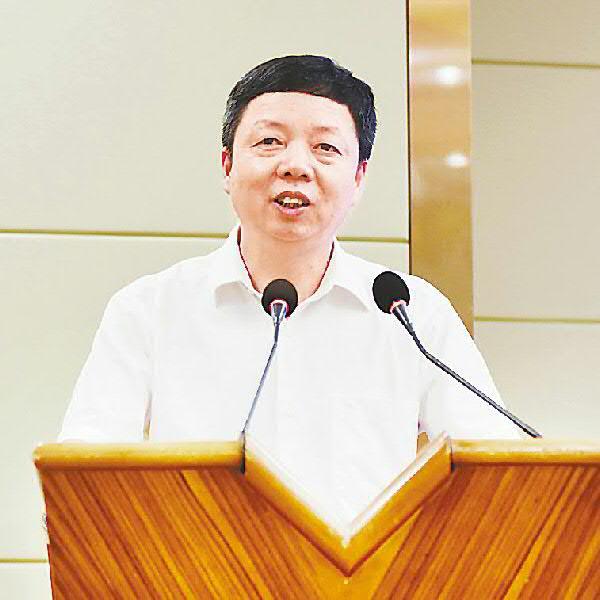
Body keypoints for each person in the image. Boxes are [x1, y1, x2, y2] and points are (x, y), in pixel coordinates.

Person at [59, 55, 519, 522]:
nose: (296, 166)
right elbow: (85, 487)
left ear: (358, 179)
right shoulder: (148, 310)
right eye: (270, 141)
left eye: (325, 148)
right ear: (227, 165)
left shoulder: (411, 313)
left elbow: (501, 478)